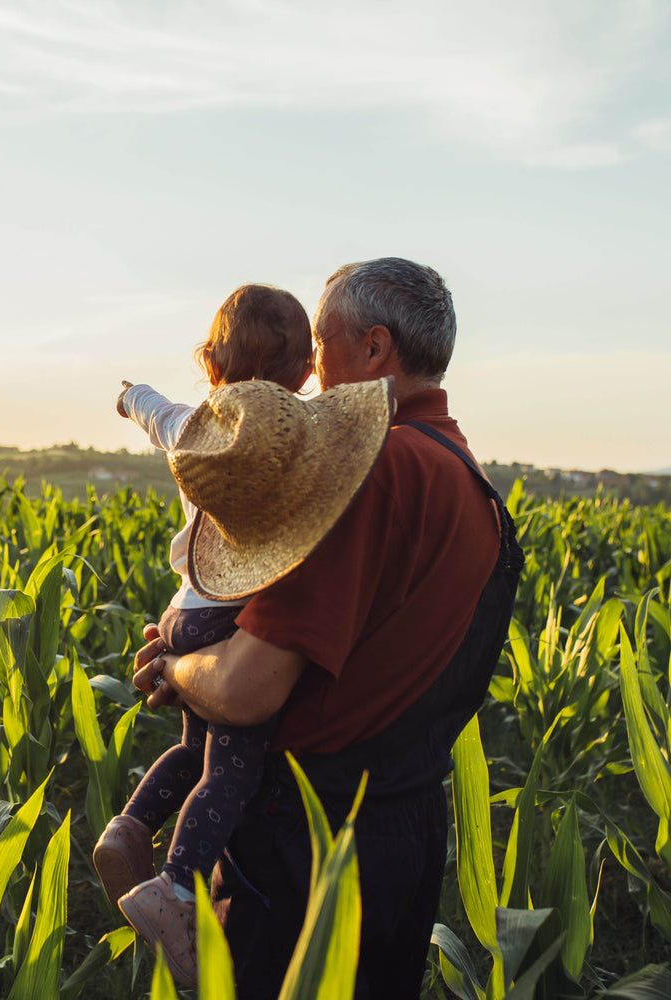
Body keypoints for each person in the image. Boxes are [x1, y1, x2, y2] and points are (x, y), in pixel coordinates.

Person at [132, 257, 525, 999]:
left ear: (374, 350)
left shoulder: (369, 470)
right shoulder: (468, 479)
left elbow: (247, 690)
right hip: (403, 830)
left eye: (322, 341)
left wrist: (176, 671)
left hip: (306, 844)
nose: (310, 366)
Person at [91, 284, 317, 987]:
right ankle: (176, 885)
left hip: (186, 609)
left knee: (193, 751)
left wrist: (132, 397)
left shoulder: (191, 428)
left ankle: (127, 829)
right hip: (233, 612)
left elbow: (153, 411)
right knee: (234, 768)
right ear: (307, 375)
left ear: (211, 366)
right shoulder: (293, 445)